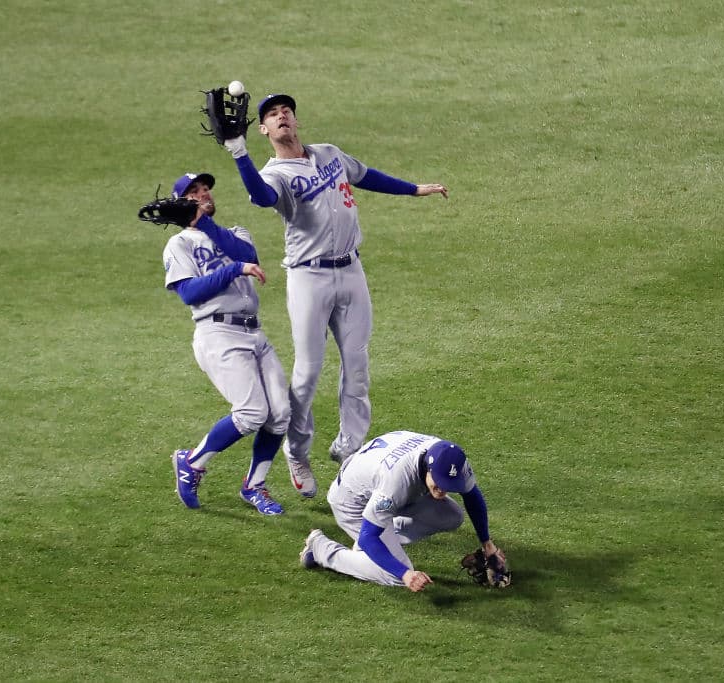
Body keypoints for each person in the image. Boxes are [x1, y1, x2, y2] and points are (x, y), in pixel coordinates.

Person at [216, 93, 449, 500]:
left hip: (352, 271)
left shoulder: (328, 153)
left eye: (286, 110)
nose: (282, 115)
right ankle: (297, 451)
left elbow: (365, 175)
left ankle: (350, 451)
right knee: (307, 373)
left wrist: (413, 189)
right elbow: (262, 197)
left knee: (358, 366)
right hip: (309, 278)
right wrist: (239, 153)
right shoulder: (274, 173)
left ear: (295, 120)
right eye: (272, 114)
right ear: (264, 130)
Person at [163, 171, 291, 515]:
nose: (203, 193)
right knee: (251, 413)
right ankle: (192, 463)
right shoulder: (179, 244)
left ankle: (254, 486)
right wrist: (232, 270)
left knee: (280, 414)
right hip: (217, 334)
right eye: (194, 191)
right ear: (181, 203)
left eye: (206, 188)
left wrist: (207, 225)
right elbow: (189, 293)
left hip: (254, 333)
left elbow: (247, 254)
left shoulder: (235, 233)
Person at [296, 430, 506, 592]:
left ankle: (385, 537)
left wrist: (488, 546)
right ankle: (321, 549)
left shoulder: (446, 455)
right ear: (428, 468)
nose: (443, 490)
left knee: (452, 516)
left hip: (377, 483)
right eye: (439, 482)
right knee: (394, 575)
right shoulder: (395, 484)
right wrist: (405, 574)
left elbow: (472, 495)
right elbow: (368, 537)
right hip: (352, 502)